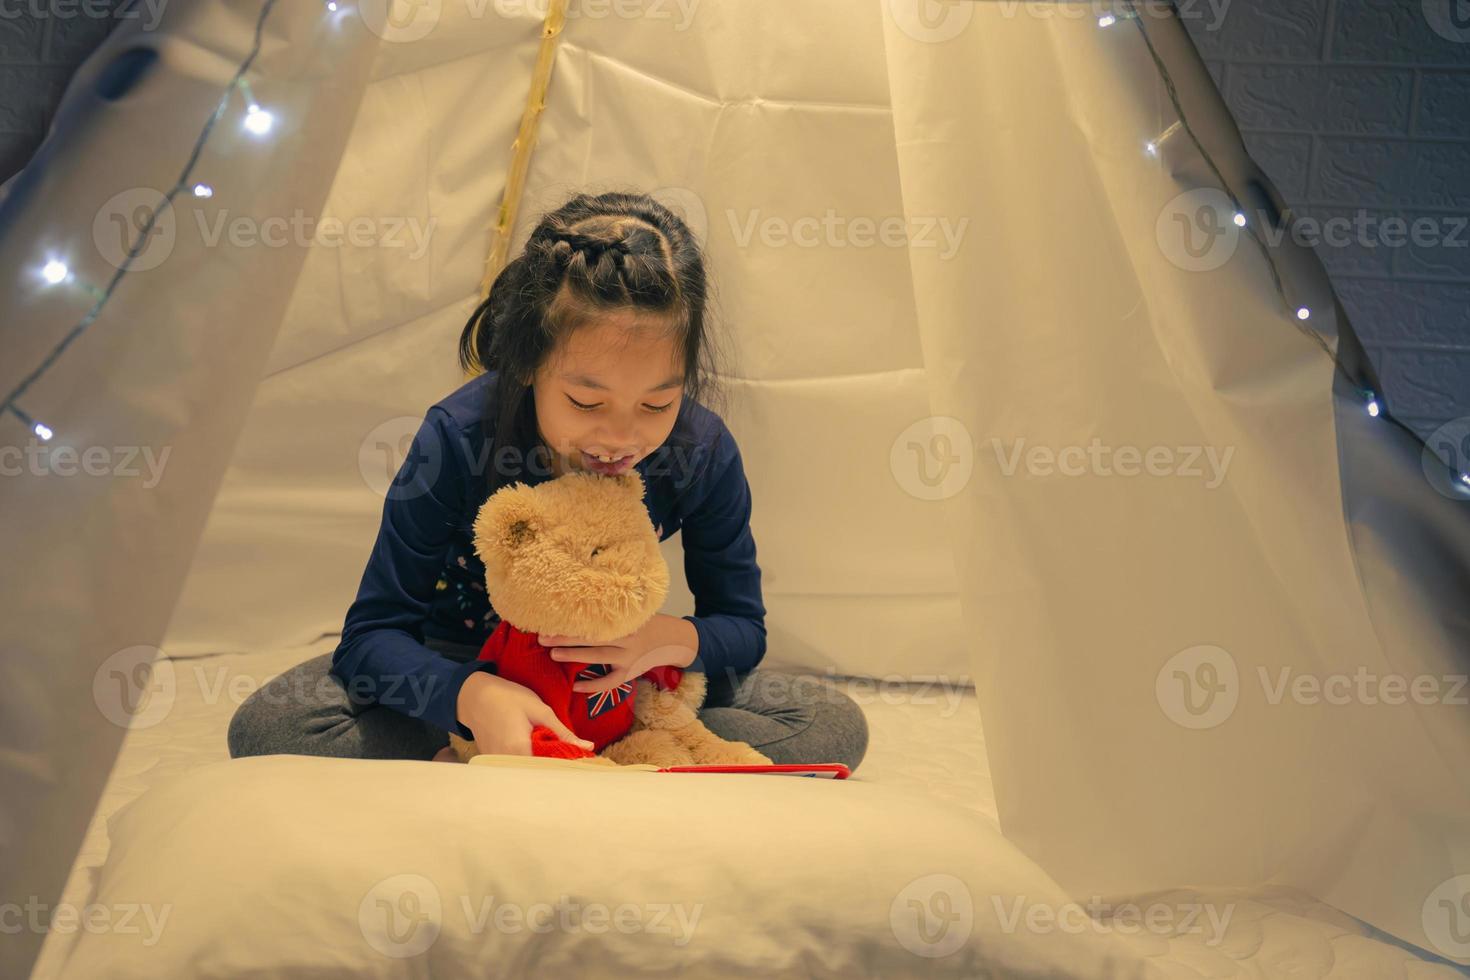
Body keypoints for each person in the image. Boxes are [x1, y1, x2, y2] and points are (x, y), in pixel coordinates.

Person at [227, 190, 869, 771]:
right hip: (465, 659)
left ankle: (598, 754)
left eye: (656, 405)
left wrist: (661, 641)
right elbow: (371, 636)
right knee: (273, 728)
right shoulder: (458, 438)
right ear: (528, 363)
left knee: (829, 725)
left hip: (621, 679)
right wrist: (469, 697)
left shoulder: (700, 451)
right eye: (586, 404)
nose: (621, 438)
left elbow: (743, 627)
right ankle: (531, 754)